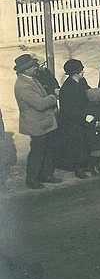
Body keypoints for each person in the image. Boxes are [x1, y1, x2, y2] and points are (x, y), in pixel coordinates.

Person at [14, 54, 60, 189]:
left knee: (47, 149)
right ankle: (32, 179)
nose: (36, 67)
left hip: (44, 121)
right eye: (33, 66)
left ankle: (46, 175)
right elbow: (40, 104)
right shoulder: (23, 85)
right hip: (36, 123)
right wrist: (53, 97)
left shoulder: (31, 79)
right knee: (38, 152)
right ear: (26, 69)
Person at [57, 59, 91, 177]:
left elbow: (88, 93)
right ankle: (77, 168)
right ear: (76, 73)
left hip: (83, 117)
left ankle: (84, 164)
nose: (83, 72)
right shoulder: (67, 88)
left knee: (83, 142)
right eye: (81, 70)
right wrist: (83, 117)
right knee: (75, 144)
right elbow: (69, 110)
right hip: (71, 122)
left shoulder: (82, 81)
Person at [84, 88, 100, 176]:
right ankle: (94, 168)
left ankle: (99, 166)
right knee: (95, 151)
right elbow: (88, 122)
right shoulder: (89, 109)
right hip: (94, 133)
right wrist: (97, 124)